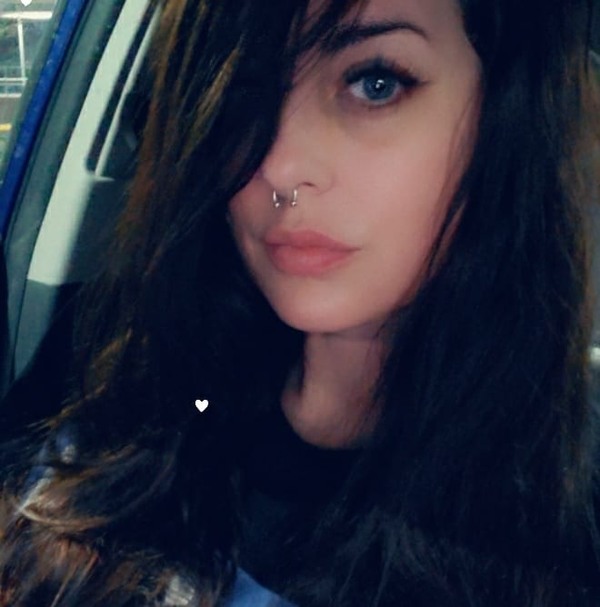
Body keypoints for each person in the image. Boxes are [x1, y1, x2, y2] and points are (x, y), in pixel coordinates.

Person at [0, 0, 598, 605]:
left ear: (505, 116)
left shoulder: (568, 512)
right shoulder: (109, 351)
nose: (280, 168)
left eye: (375, 83)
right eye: (242, 97)